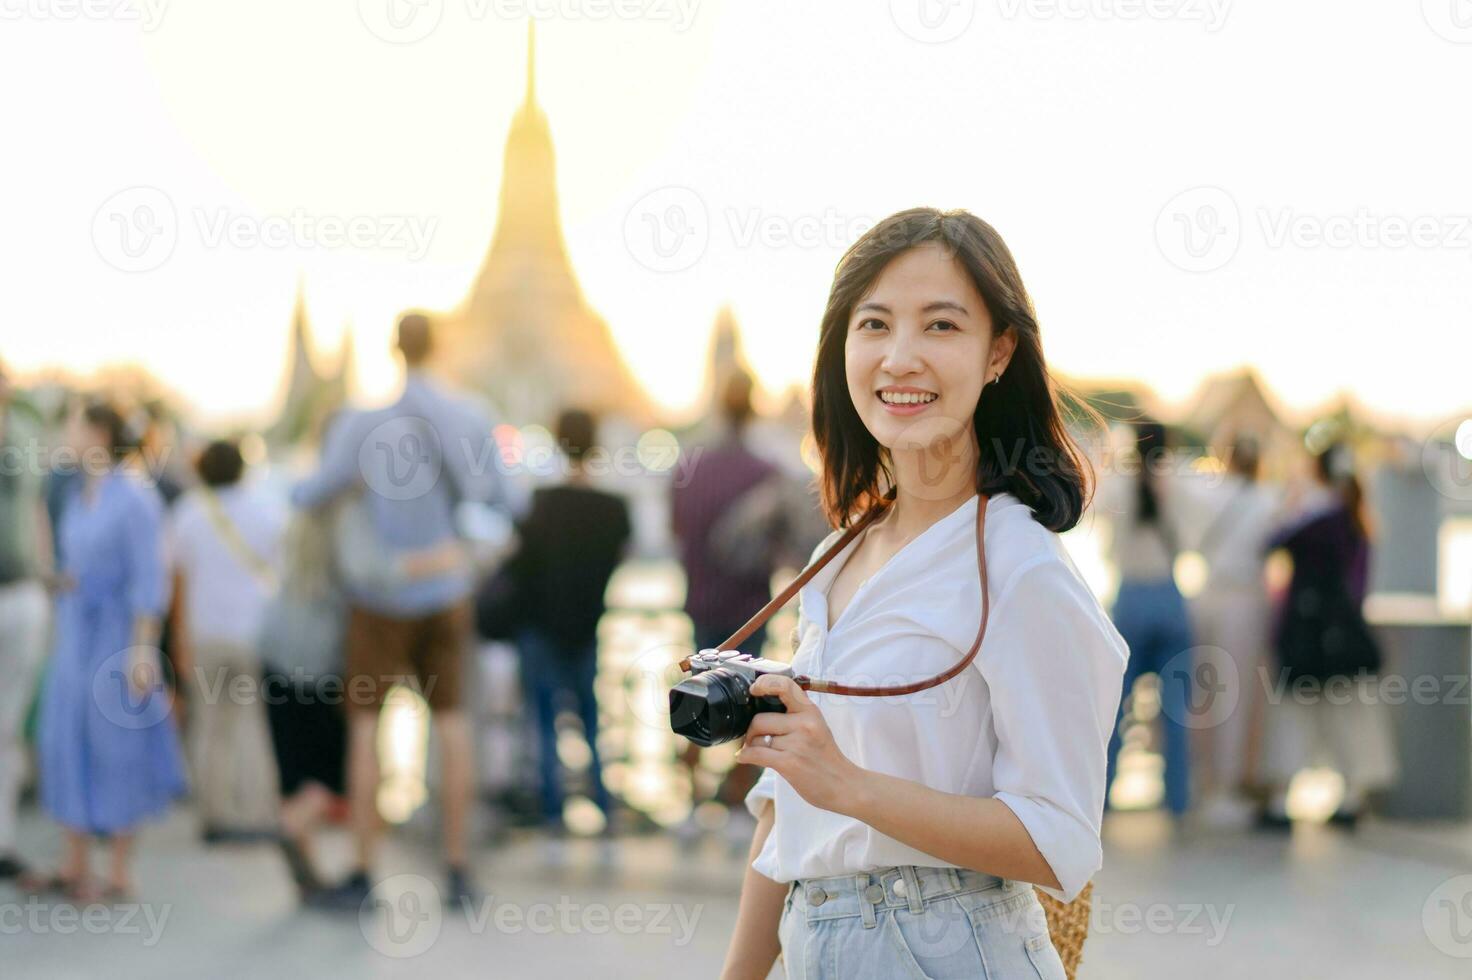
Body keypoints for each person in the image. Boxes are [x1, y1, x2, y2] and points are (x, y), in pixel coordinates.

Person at [719, 208, 1128, 980]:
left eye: (941, 327)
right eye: (874, 324)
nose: (900, 358)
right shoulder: (835, 555)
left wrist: (853, 787)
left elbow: (1061, 841)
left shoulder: (1021, 567)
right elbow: (787, 819)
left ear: (999, 351)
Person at [291, 312, 511, 908]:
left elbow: (311, 495)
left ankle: (365, 873)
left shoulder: (364, 421)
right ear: (437, 347)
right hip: (446, 592)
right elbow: (503, 499)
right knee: (455, 726)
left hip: (377, 598)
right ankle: (457, 871)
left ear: (392, 350)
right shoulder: (471, 414)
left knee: (367, 731)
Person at [23, 401, 187, 902]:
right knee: (63, 736)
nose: (66, 436)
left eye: (73, 426)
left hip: (116, 637)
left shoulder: (135, 497)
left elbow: (148, 578)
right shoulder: (78, 493)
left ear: (96, 433)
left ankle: (118, 869)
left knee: (116, 744)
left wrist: (142, 651)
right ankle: (75, 861)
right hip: (76, 631)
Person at [1257, 441, 1397, 829]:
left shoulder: (1314, 517)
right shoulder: (1357, 521)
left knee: (1293, 718)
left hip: (1303, 633)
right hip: (1344, 636)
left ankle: (1283, 799)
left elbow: (1271, 544)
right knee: (1348, 719)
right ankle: (1352, 795)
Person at [504, 409, 631, 833]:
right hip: (588, 627)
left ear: (557, 442)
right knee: (592, 722)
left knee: (543, 723)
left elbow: (520, 568)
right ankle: (603, 809)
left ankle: (552, 813)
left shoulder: (541, 505)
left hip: (541, 628)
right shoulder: (614, 509)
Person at [671, 369, 780, 843]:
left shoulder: (691, 471)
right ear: (753, 409)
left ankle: (691, 805)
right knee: (752, 706)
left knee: (696, 697)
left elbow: (678, 530)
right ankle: (737, 803)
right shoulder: (765, 474)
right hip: (750, 604)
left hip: (701, 599)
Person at [169, 439, 284, 842]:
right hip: (253, 634)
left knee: (210, 726)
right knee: (253, 725)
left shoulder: (188, 514)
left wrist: (179, 639)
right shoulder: (266, 511)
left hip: (205, 633)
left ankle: (214, 814)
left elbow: (178, 583)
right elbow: (279, 573)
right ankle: (258, 812)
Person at [1177, 434, 1282, 827]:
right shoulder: (1268, 499)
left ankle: (1197, 782)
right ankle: (1228, 785)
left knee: (1201, 693)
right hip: (1246, 601)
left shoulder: (1207, 493)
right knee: (1236, 697)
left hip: (1204, 598)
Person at [1101, 419, 1196, 817]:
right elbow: (1195, 538)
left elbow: (1095, 512)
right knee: (1176, 710)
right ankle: (1177, 801)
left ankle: (1101, 798)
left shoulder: (1119, 483)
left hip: (1131, 598)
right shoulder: (1181, 483)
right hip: (1170, 597)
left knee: (1113, 706)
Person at [0, 364, 55, 882]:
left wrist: (44, 576)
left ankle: (4, 838)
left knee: (8, 726)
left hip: (19, 593)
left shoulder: (23, 435)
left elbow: (35, 509)